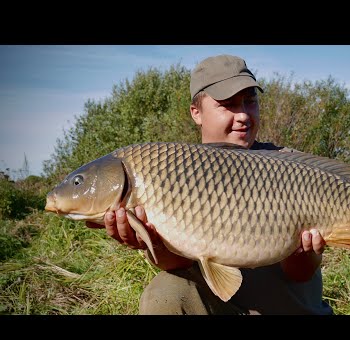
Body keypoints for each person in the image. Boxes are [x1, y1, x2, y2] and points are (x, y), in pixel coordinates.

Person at [87, 54, 334, 315]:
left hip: (289, 310)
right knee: (165, 293)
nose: (243, 116)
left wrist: (303, 250)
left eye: (250, 102)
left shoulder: (293, 168)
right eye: (228, 104)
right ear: (196, 112)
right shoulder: (172, 169)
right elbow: (179, 261)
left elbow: (300, 274)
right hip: (222, 305)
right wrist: (152, 241)